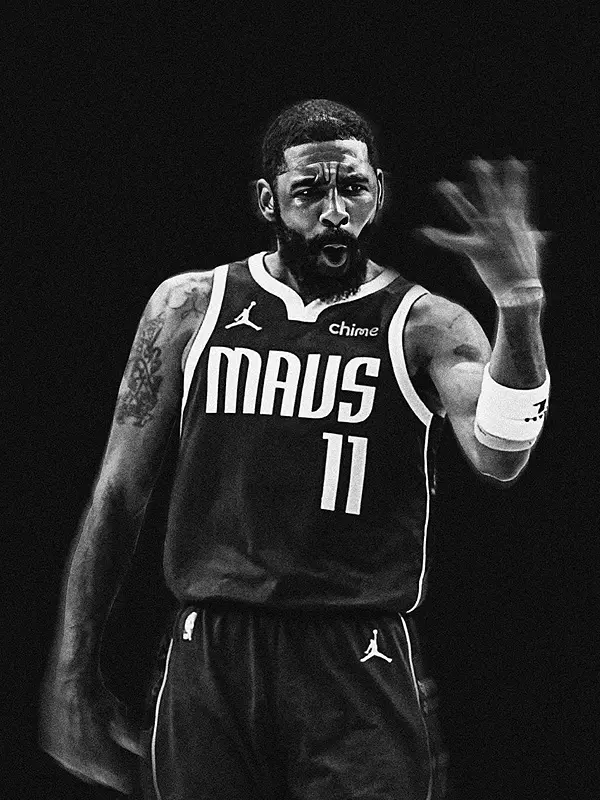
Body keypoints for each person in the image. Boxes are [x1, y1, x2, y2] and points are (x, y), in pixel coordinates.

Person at [40, 98, 550, 800]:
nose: (334, 210)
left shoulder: (427, 324)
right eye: (309, 190)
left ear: (379, 193)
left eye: (353, 187)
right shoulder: (191, 307)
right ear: (267, 200)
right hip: (212, 653)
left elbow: (502, 450)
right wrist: (73, 673)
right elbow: (119, 495)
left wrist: (520, 305)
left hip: (355, 656)